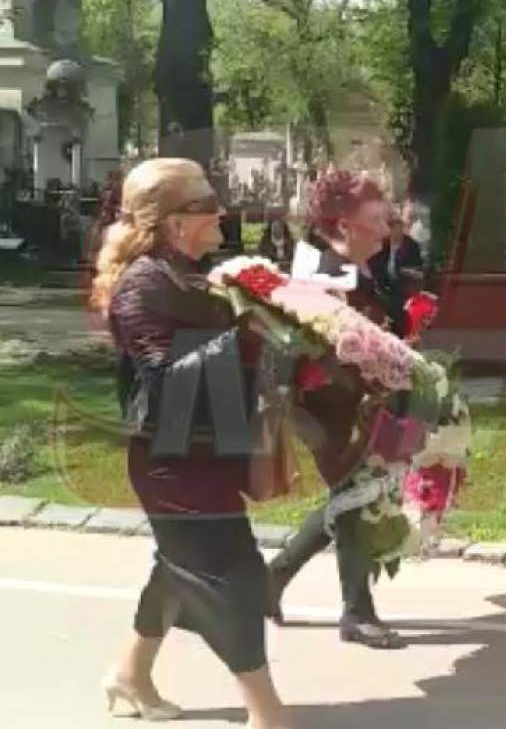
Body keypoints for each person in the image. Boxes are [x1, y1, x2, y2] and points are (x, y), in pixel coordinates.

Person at [91, 159, 292, 728]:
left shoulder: (188, 273)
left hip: (203, 449)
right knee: (235, 577)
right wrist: (245, 337)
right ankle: (268, 714)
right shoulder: (143, 285)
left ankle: (129, 675)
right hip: (170, 462)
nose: (221, 212)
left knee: (180, 570)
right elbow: (165, 380)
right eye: (207, 204)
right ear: (176, 221)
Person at [267, 170, 408, 648]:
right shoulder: (317, 278)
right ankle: (357, 612)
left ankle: (274, 578)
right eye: (376, 219)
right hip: (325, 413)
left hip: (362, 406)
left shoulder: (364, 270)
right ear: (345, 225)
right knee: (355, 498)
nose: (386, 228)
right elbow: (285, 362)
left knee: (355, 496)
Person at [368, 199, 425, 325]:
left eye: (400, 228)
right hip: (383, 285)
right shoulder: (383, 245)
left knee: (397, 303)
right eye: (393, 228)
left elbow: (417, 267)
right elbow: (373, 264)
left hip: (403, 286)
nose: (397, 231)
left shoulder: (411, 246)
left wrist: (406, 271)